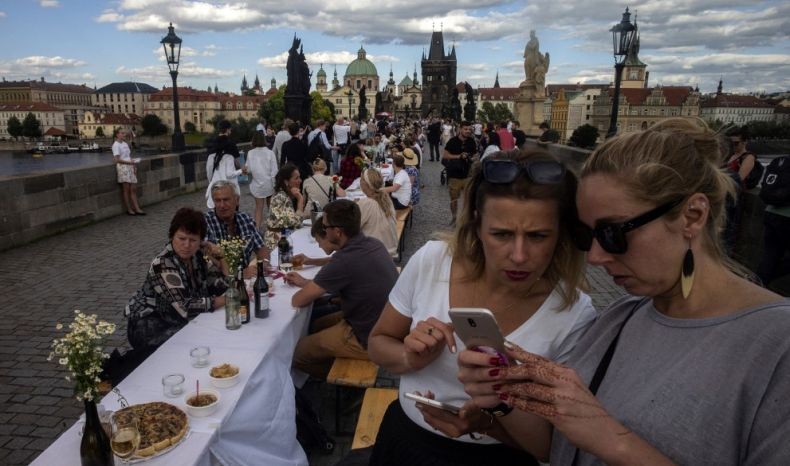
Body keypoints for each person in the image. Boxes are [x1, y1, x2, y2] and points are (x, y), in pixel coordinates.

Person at [458, 118, 790, 465]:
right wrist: (500, 399)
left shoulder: (777, 344)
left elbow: (597, 437)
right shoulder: (620, 317)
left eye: (613, 234)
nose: (597, 257)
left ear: (692, 216)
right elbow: (562, 449)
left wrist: (614, 440)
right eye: (587, 236)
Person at [366, 149, 595, 466]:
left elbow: (550, 448)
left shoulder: (575, 314)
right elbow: (378, 343)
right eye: (501, 234)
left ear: (562, 234)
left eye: (538, 236)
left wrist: (492, 419)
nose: (518, 255)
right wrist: (409, 357)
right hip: (406, 442)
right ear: (476, 225)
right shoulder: (433, 260)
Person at [287, 200, 399, 379]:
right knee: (316, 324)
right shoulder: (372, 243)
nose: (323, 229)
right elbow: (340, 266)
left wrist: (306, 285)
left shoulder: (344, 261)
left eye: (325, 226)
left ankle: (340, 377)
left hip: (367, 336)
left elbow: (297, 300)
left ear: (337, 232)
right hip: (383, 322)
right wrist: (311, 269)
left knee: (294, 352)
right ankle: (330, 360)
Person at [126, 207, 228, 353]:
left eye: (193, 240)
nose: (186, 245)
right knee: (206, 340)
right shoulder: (163, 263)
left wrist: (221, 257)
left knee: (214, 334)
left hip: (177, 320)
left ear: (201, 241)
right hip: (150, 327)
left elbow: (222, 285)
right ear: (172, 236)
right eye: (181, 238)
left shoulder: (197, 257)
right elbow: (185, 306)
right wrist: (225, 300)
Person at [204, 180, 268, 268]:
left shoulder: (245, 219)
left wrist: (262, 267)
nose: (222, 205)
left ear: (237, 200)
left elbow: (261, 248)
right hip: (220, 279)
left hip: (246, 278)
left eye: (226, 200)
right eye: (218, 201)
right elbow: (207, 262)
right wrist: (239, 274)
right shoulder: (205, 223)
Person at [265, 163, 306, 250]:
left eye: (299, 177)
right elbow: (296, 222)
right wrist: (300, 200)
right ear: (286, 181)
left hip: (283, 238)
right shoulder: (279, 197)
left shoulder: (284, 195)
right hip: (277, 244)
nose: (300, 180)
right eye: (296, 178)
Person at [443, 121, 477, 224]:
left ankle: (467, 218)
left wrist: (471, 157)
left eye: (469, 129)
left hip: (468, 175)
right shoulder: (452, 141)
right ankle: (454, 218)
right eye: (465, 129)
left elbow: (475, 155)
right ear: (460, 129)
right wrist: (459, 156)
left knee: (469, 199)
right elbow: (445, 156)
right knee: (454, 199)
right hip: (454, 175)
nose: (468, 131)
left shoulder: (471, 141)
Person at [358, 168, 398, 256]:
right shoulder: (386, 198)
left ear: (365, 184)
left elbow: (353, 227)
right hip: (388, 248)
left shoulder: (366, 203)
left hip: (374, 253)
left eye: (361, 179)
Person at [206, 120, 243, 209]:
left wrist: (211, 180)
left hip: (216, 181)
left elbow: (209, 166)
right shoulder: (231, 144)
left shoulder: (211, 144)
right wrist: (241, 170)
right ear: (228, 130)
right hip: (230, 183)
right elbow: (237, 162)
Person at [245, 131, 278, 229]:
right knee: (271, 208)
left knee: (258, 209)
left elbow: (248, 169)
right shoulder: (270, 153)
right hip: (269, 184)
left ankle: (257, 230)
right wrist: (273, 184)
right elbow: (275, 170)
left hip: (257, 185)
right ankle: (274, 228)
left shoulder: (250, 153)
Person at [112, 128, 144, 215]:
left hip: (130, 166)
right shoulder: (116, 145)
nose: (124, 135)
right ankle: (129, 209)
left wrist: (133, 164)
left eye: (124, 133)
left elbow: (128, 156)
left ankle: (137, 208)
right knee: (126, 190)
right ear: (117, 135)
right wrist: (130, 162)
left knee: (133, 189)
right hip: (123, 168)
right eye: (122, 133)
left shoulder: (125, 143)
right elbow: (117, 160)